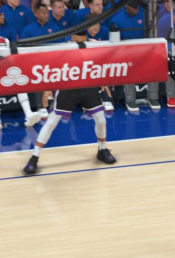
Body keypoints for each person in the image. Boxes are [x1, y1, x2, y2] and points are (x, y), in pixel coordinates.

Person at [21, 35, 117, 175]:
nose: (79, 43)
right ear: (72, 38)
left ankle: (102, 150)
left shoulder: (92, 46)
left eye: (82, 40)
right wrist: (48, 89)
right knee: (51, 122)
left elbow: (100, 65)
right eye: (77, 41)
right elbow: (52, 68)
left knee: (101, 120)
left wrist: (104, 82)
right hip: (67, 88)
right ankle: (34, 157)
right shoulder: (64, 49)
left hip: (88, 87)